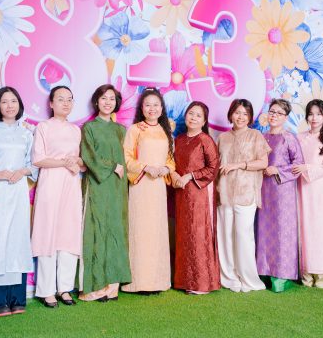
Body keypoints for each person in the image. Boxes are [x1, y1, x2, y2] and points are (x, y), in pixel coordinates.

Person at [0, 87, 35, 316]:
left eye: (13, 101)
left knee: (17, 239)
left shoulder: (27, 134)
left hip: (18, 191)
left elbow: (33, 164)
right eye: (4, 101)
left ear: (19, 105)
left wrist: (22, 171)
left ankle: (16, 298)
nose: (10, 105)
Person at [31, 86, 84, 307]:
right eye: (61, 99)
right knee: (48, 232)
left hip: (71, 183)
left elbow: (81, 161)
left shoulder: (76, 130)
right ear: (51, 103)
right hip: (50, 182)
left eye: (69, 99)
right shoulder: (43, 127)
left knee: (69, 232)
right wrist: (64, 162)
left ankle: (65, 288)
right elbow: (38, 159)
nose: (66, 103)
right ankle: (46, 290)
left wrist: (76, 162)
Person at [79, 84, 131, 302]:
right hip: (98, 184)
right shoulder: (89, 128)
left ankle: (113, 285)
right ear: (96, 101)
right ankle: (95, 285)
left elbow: (128, 157)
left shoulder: (121, 130)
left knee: (115, 229)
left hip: (118, 186)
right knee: (96, 229)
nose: (108, 102)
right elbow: (88, 156)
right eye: (103, 98)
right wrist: (111, 166)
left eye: (112, 98)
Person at [122, 88, 175, 294]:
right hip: (141, 185)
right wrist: (145, 167)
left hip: (158, 186)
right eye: (147, 105)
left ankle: (157, 281)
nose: (152, 109)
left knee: (156, 231)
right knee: (140, 230)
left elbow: (170, 159)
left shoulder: (165, 130)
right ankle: (138, 281)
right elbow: (126, 158)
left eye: (156, 105)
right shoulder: (135, 129)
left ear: (162, 108)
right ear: (141, 108)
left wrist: (166, 169)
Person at [216, 99, 270, 293]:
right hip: (224, 192)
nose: (240, 117)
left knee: (244, 236)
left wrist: (239, 165)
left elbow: (263, 163)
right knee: (225, 237)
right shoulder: (222, 137)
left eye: (245, 114)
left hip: (246, 193)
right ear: (231, 114)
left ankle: (248, 279)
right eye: (237, 112)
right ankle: (229, 278)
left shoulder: (256, 135)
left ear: (250, 117)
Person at [171, 101, 220, 295]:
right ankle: (184, 280)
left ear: (204, 121)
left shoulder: (205, 140)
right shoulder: (179, 140)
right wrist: (176, 176)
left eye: (198, 115)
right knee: (184, 234)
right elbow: (173, 164)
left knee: (199, 234)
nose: (193, 118)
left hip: (199, 194)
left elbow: (213, 168)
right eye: (191, 113)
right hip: (181, 193)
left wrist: (191, 176)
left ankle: (201, 283)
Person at [256, 99, 304, 293]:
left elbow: (298, 166)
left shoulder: (289, 138)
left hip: (282, 192)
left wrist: (278, 170)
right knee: (263, 229)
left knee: (282, 231)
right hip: (263, 190)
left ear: (286, 117)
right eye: (272, 111)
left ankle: (281, 274)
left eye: (279, 113)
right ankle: (263, 270)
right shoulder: (261, 137)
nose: (274, 115)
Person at [293, 99, 323, 289]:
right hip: (301, 186)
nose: (314, 118)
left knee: (320, 227)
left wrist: (307, 168)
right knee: (304, 226)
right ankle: (306, 270)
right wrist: (301, 169)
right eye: (311, 114)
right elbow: (293, 160)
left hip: (319, 187)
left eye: (318, 114)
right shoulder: (299, 137)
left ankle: (322, 272)